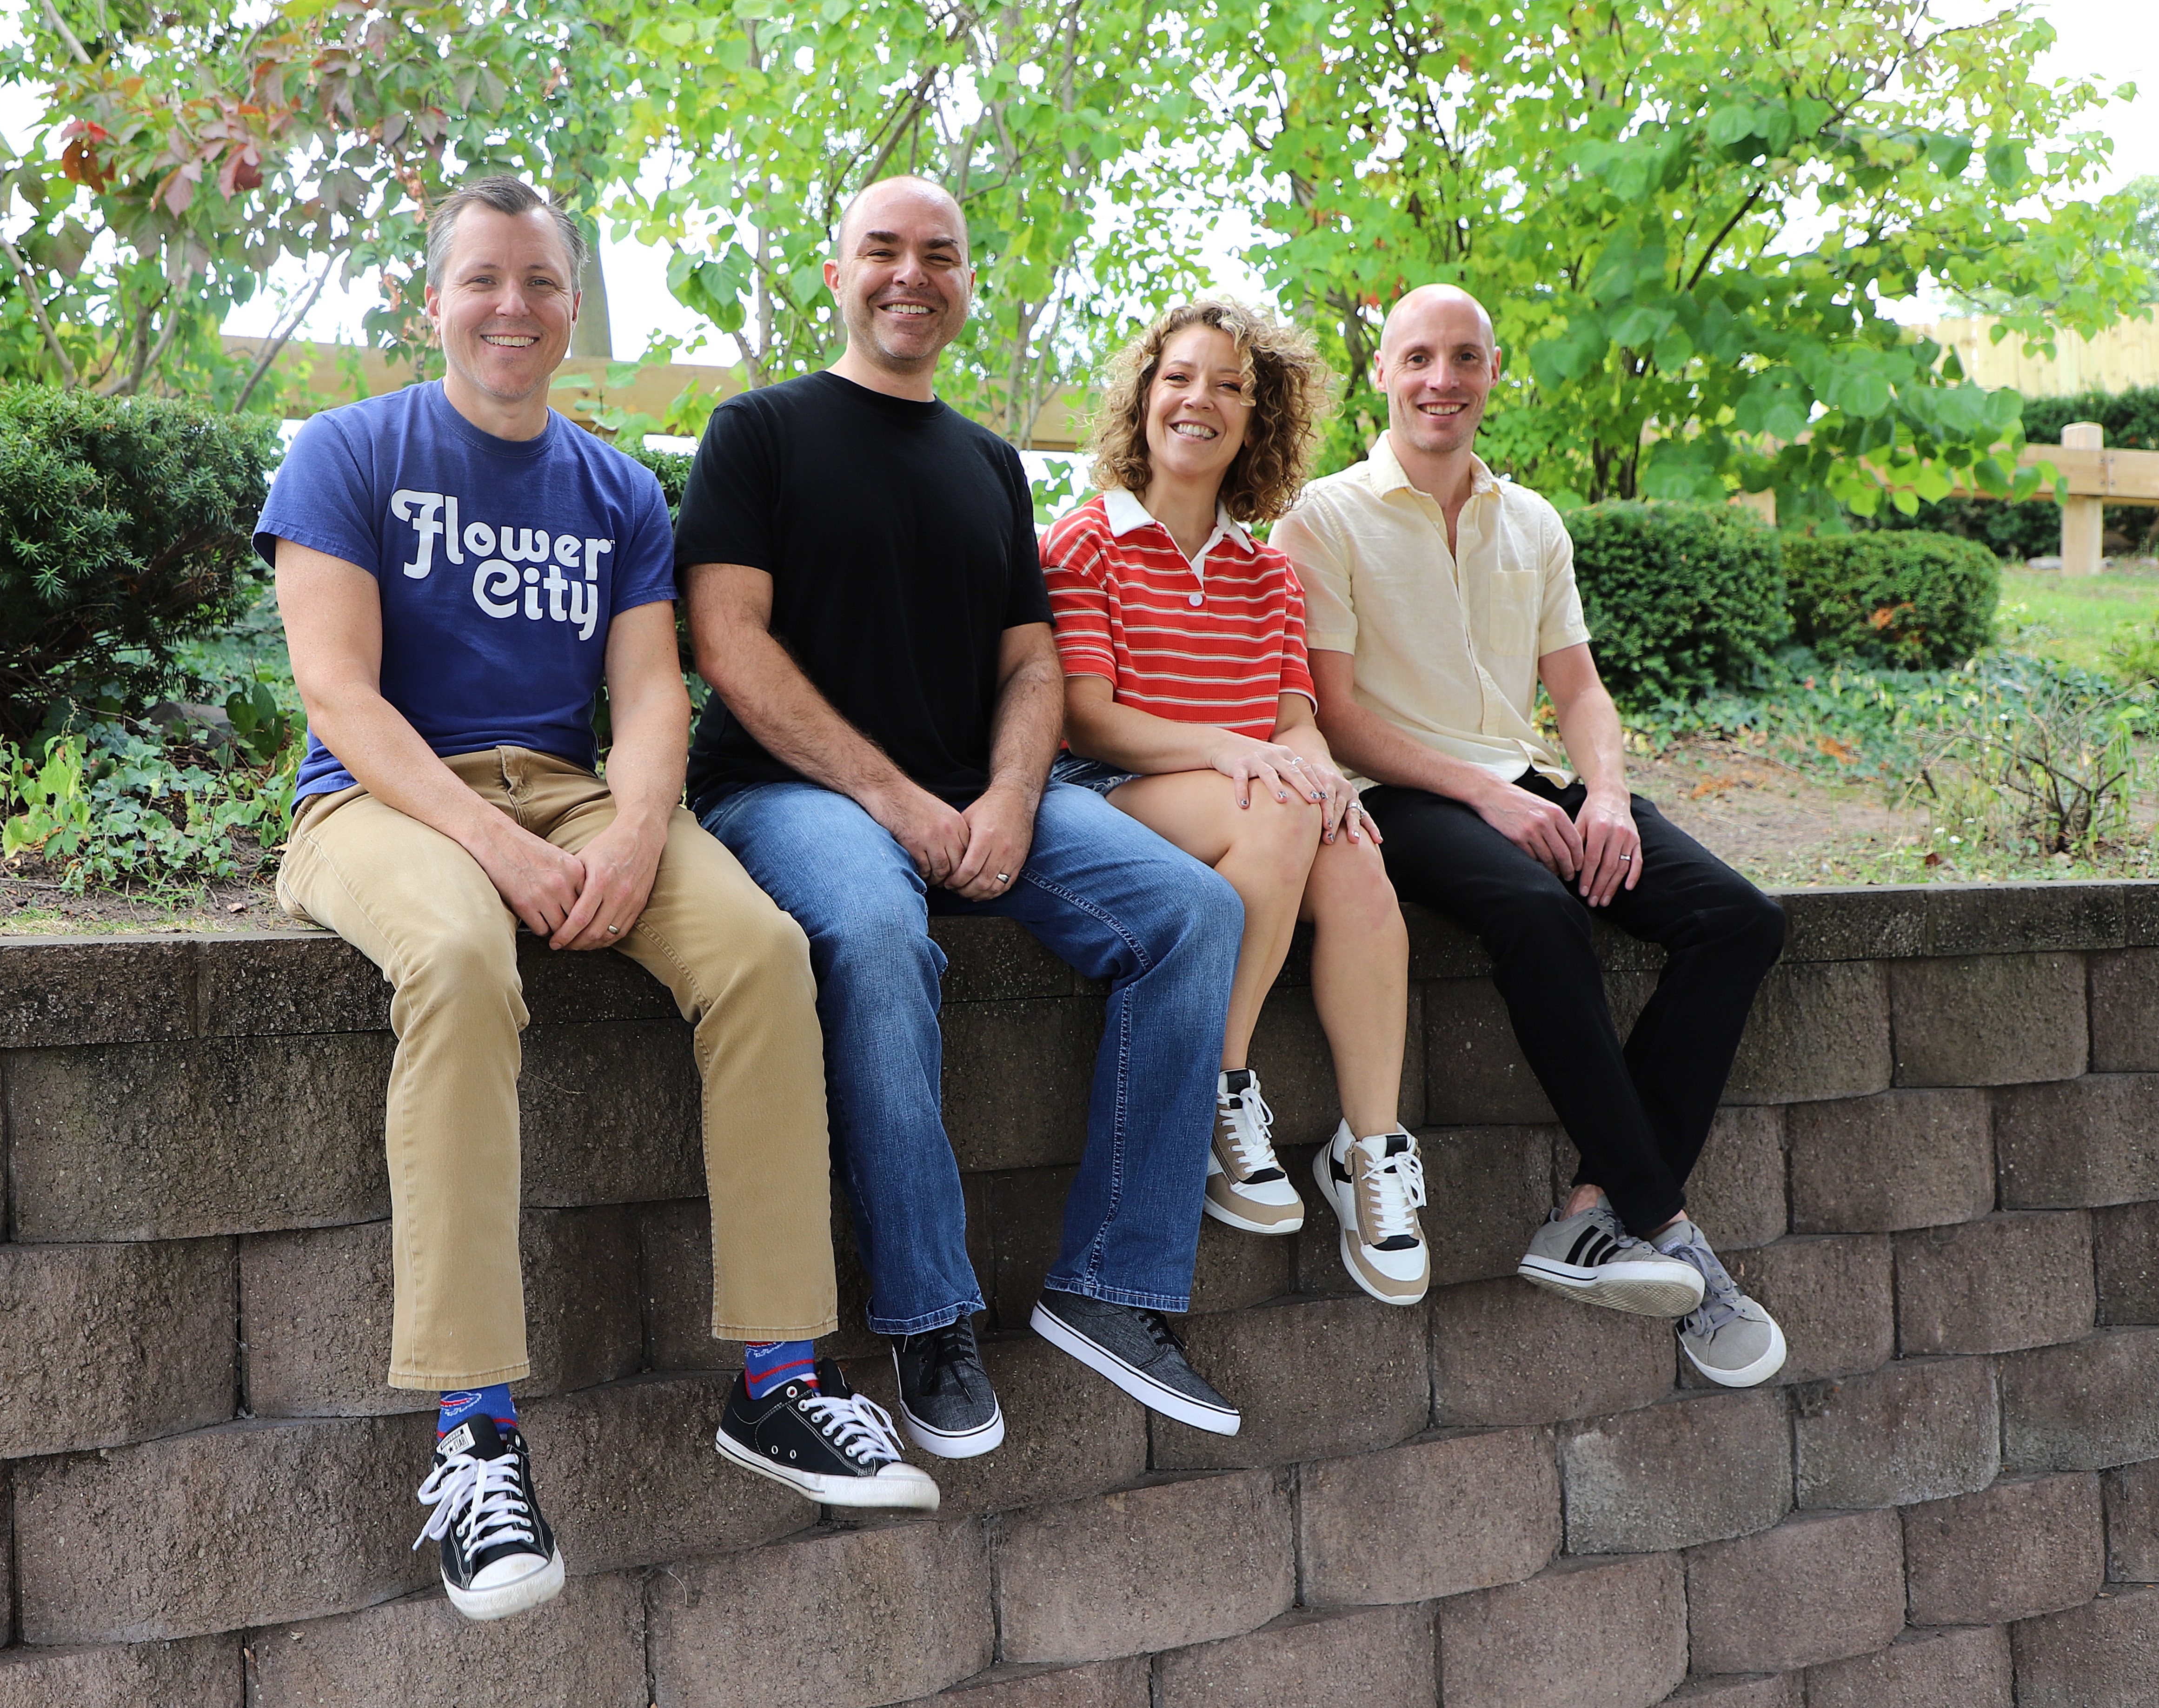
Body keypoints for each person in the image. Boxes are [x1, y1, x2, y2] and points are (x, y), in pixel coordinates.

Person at [259, 176, 934, 1627]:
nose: (514, 306)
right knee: (459, 959)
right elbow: (341, 697)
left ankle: (780, 1378)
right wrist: (496, 853)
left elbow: (649, 694)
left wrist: (633, 837)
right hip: (379, 802)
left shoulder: (618, 489)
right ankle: (474, 1438)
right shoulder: (346, 450)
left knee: (759, 949)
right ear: (430, 301)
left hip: (571, 795)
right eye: (484, 279)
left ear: (573, 306)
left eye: (543, 282)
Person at [678, 176, 1249, 1456]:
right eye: (881, 249)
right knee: (881, 936)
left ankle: (1111, 1284)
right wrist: (896, 802)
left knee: (1193, 911)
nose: (911, 274)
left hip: (977, 794)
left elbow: (1033, 663)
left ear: (967, 283)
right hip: (788, 794)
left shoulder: (989, 463)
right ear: (837, 274)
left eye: (939, 254)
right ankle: (929, 1311)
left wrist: (1007, 797)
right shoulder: (757, 431)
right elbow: (728, 642)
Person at [1277, 282, 1790, 1388]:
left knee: (1736, 920)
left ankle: (1592, 1207)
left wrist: (1601, 793)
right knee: (1538, 910)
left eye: (1465, 357)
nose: (1441, 379)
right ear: (1381, 372)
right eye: (1418, 357)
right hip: (1396, 796)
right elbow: (1335, 715)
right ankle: (1672, 1233)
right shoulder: (1321, 518)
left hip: (1531, 785)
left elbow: (1580, 689)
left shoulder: (1532, 520)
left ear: (1492, 374)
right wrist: (1483, 795)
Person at [1039, 297, 1427, 1305]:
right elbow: (1087, 717)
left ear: (1259, 418)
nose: (1198, 400)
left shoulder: (1268, 572)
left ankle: (1371, 1153)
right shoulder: (1084, 542)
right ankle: (1222, 1086)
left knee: (1355, 853)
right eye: (1178, 377)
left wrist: (1318, 772)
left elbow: (1294, 720)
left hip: (1245, 793)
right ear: (1143, 397)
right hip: (1111, 797)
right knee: (1278, 805)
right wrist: (1238, 754)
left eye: (1229, 386)